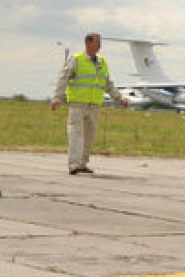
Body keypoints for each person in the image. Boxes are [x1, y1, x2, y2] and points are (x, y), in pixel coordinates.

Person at [51, 32, 128, 174]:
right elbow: (63, 78)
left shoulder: (102, 62)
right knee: (76, 134)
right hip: (78, 104)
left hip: (94, 106)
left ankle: (82, 163)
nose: (99, 46)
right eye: (97, 42)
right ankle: (73, 164)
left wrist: (120, 98)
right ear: (87, 43)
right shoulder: (77, 59)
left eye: (100, 43)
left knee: (89, 136)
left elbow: (108, 84)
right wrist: (57, 98)